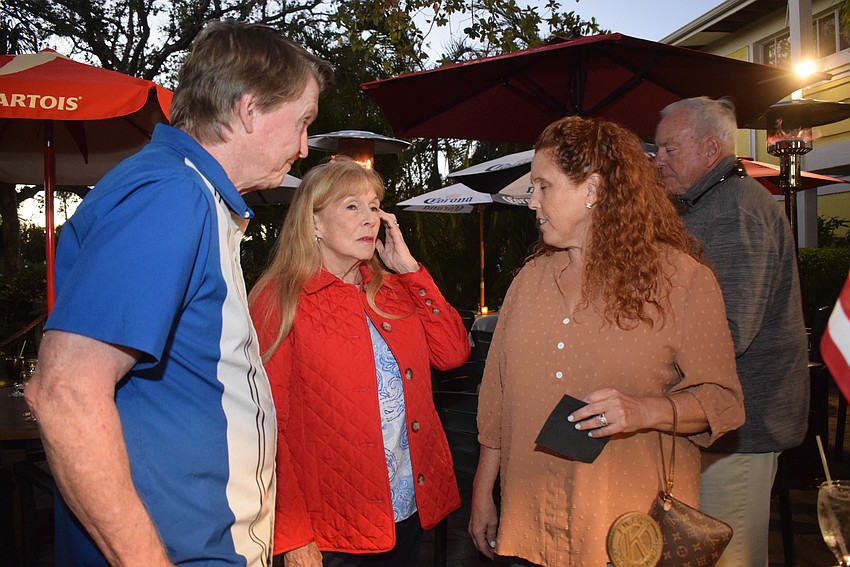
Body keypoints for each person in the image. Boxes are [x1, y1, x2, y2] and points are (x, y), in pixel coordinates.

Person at [25, 20, 333, 566]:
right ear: (249, 109)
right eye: (302, 121)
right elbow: (65, 392)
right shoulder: (171, 193)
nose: (304, 146)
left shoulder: (191, 192)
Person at [468, 115, 745, 567]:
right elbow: (496, 401)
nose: (531, 201)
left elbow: (724, 402)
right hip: (528, 527)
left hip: (625, 536)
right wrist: (483, 494)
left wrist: (643, 411)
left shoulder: (680, 281)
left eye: (543, 186)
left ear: (593, 190)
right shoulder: (528, 282)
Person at [249, 158, 469, 567]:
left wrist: (410, 271)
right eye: (352, 206)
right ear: (313, 222)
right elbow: (267, 427)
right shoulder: (279, 298)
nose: (370, 218)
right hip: (330, 526)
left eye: (374, 206)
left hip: (406, 508)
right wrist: (292, 535)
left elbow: (453, 352)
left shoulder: (394, 290)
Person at [655, 96, 810, 567]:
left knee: (728, 556)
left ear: (709, 149)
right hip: (723, 423)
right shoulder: (711, 203)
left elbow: (729, 331)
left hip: (742, 426)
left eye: (669, 149)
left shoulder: (734, 211)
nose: (658, 160)